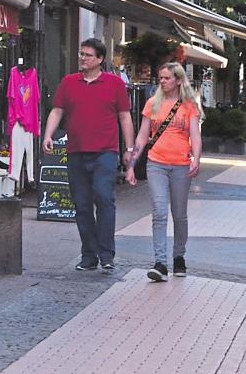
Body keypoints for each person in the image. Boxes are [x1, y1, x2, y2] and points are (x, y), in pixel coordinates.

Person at [43, 38, 135, 274]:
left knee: (104, 199)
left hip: (105, 151)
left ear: (100, 59)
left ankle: (106, 254)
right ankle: (89, 255)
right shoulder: (69, 82)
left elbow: (125, 117)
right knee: (82, 205)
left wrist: (130, 149)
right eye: (81, 54)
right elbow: (57, 110)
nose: (82, 58)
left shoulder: (114, 84)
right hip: (76, 151)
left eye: (87, 55)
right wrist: (48, 135)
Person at [126, 62, 201, 281]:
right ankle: (160, 262)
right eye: (160, 78)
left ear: (178, 80)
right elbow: (142, 135)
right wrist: (132, 163)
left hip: (180, 164)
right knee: (159, 212)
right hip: (156, 162)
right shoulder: (152, 104)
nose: (162, 81)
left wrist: (196, 158)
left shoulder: (189, 106)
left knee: (179, 215)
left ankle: (179, 256)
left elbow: (195, 135)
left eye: (167, 78)